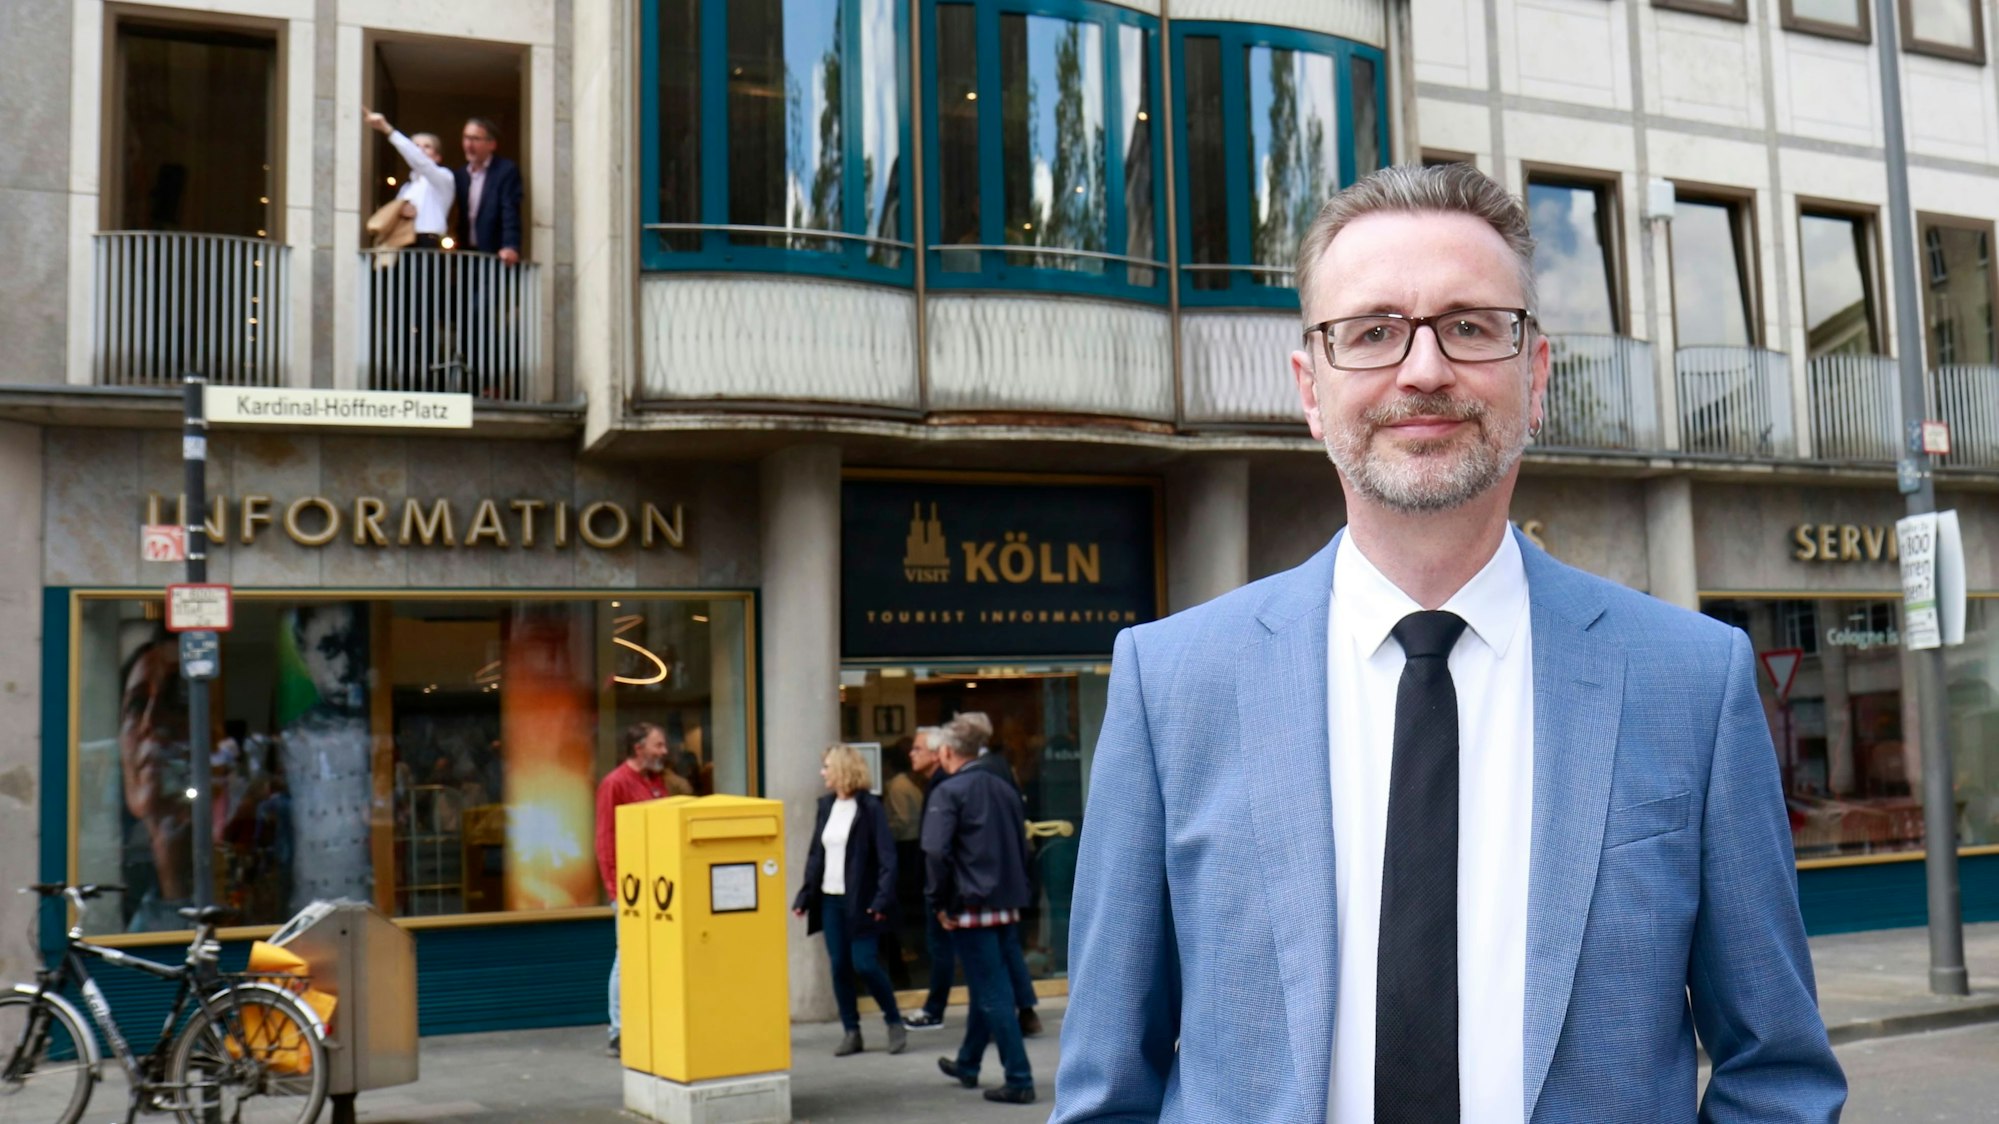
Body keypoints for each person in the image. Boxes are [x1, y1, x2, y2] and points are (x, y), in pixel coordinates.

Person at [1052, 164, 1845, 1123]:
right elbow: (1106, 1087)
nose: (1423, 370)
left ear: (1535, 374)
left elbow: (1776, 1073)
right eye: (1373, 331)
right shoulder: (1171, 682)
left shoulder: (1690, 681)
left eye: (1470, 326)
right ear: (1311, 387)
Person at [924, 713, 1036, 1105]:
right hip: (1005, 903)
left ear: (948, 751)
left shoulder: (949, 792)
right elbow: (1022, 847)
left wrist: (939, 902)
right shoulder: (1003, 788)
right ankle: (968, 1063)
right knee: (988, 987)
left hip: (970, 906)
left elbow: (936, 852)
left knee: (992, 993)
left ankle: (1019, 1077)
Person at [791, 745, 907, 1057]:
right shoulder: (826, 806)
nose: (822, 773)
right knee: (839, 966)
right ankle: (851, 1031)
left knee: (865, 963)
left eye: (827, 767)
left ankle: (894, 1021)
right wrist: (805, 895)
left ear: (843, 769)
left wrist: (882, 899)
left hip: (863, 900)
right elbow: (817, 853)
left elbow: (887, 858)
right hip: (830, 899)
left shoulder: (870, 807)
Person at [596, 721, 671, 1056]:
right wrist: (614, 888)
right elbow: (605, 839)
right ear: (639, 748)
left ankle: (652, 1021)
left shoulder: (657, 782)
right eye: (658, 745)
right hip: (630, 888)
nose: (664, 751)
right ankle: (619, 1030)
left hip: (660, 888)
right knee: (626, 956)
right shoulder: (615, 784)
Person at [364, 109, 453, 248]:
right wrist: (402, 211)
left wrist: (388, 130)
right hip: (403, 241)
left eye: (427, 146)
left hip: (428, 242)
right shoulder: (407, 187)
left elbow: (421, 163)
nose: (420, 150)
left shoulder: (443, 177)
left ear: (437, 156)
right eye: (415, 146)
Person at [453, 117, 523, 263]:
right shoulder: (460, 175)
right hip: (466, 255)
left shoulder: (505, 171)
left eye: (475, 139)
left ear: (491, 144)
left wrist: (510, 246)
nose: (469, 144)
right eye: (466, 138)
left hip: (495, 255)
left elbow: (509, 210)